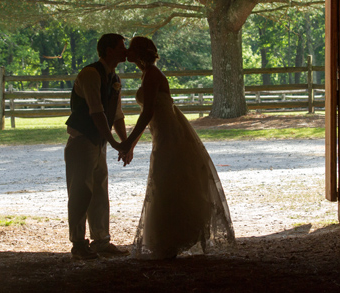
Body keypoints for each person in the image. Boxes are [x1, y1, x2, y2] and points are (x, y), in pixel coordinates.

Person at [117, 36, 235, 259]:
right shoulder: (147, 73)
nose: (126, 52)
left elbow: (148, 111)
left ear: (140, 53)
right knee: (164, 181)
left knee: (167, 180)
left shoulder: (152, 74)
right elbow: (149, 114)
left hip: (170, 134)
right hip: (162, 132)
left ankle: (172, 238)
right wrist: (131, 143)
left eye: (130, 48)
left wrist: (128, 141)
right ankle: (168, 238)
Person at [64, 33, 133, 260]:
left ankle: (101, 240)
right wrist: (116, 143)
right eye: (122, 47)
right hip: (82, 140)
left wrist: (126, 144)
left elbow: (117, 115)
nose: (126, 51)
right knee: (81, 192)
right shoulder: (90, 74)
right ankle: (78, 244)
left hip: (97, 141)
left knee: (100, 191)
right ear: (109, 50)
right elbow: (96, 112)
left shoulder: (114, 78)